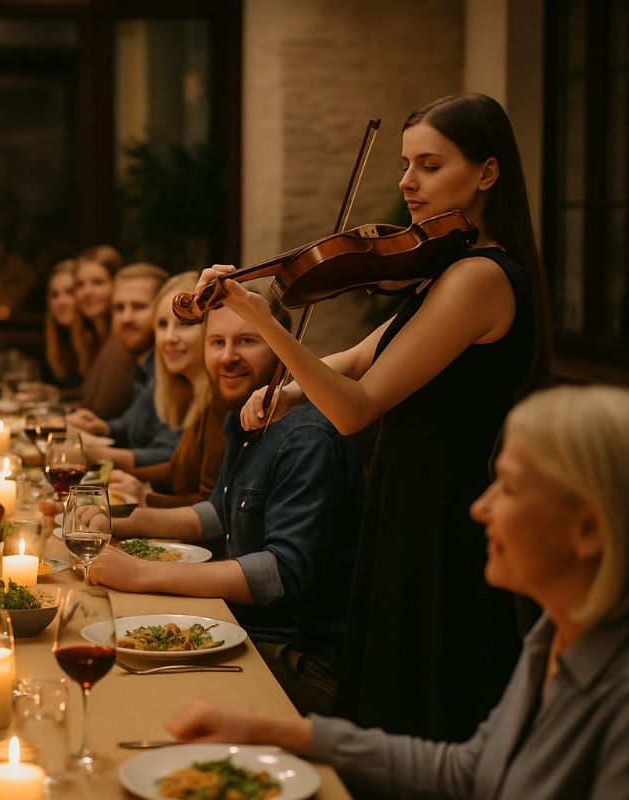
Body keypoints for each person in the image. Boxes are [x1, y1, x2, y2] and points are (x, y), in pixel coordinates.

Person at [193, 93, 552, 740]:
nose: (406, 182)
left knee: (425, 704)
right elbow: (362, 355)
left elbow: (356, 409)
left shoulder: (481, 278)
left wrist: (257, 319)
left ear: (487, 173)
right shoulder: (445, 270)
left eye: (429, 164)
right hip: (410, 502)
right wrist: (292, 394)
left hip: (446, 517)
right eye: (404, 164)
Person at [165, 385, 629, 800]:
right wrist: (266, 729)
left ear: (588, 528)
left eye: (508, 487)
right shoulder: (553, 634)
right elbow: (465, 772)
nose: (480, 507)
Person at [90, 299, 363, 714]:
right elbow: (219, 512)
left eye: (247, 341)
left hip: (293, 658)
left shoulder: (308, 434)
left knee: (128, 696)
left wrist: (144, 573)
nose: (228, 356)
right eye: (217, 342)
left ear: (280, 349)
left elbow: (281, 571)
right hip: (237, 626)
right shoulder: (245, 416)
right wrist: (122, 521)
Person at [107, 271, 228, 507]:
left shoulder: (221, 398)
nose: (169, 338)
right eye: (162, 325)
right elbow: (177, 469)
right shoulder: (189, 392)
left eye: (184, 324)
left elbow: (215, 509)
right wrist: (108, 479)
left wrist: (146, 498)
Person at [68, 263, 178, 469]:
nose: (126, 318)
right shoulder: (144, 363)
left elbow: (172, 455)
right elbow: (134, 421)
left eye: (139, 307)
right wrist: (104, 428)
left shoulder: (175, 367)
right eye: (119, 308)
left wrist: (97, 454)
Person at [73, 244, 138, 418]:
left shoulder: (124, 341)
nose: (87, 292)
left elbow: (102, 412)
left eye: (98, 282)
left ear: (117, 285)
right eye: (80, 285)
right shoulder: (94, 337)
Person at [43, 258, 80, 388]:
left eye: (69, 292)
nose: (61, 302)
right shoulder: (60, 341)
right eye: (54, 295)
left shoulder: (94, 341)